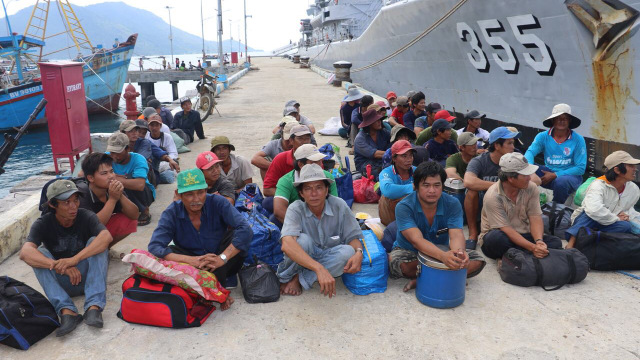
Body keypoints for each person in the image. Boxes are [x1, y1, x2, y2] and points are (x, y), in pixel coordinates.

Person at [19, 179, 112, 336]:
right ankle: (67, 311)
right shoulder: (43, 223)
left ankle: (93, 307)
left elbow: (106, 237)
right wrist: (58, 265)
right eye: (66, 202)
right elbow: (25, 253)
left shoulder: (85, 216)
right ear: (53, 205)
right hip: (63, 281)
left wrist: (74, 260)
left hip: (89, 278)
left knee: (96, 242)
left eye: (76, 200)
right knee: (38, 253)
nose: (74, 206)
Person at [148, 169, 252, 304]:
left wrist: (223, 258)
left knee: (238, 236)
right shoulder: (171, 213)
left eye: (201, 193)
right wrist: (192, 260)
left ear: (206, 190)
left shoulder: (218, 202)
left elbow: (245, 229)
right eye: (189, 194)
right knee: (168, 253)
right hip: (191, 261)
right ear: (178, 194)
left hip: (220, 257)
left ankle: (220, 280)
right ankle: (215, 286)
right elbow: (155, 246)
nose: (196, 200)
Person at [389, 162, 485, 292]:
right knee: (398, 264)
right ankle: (448, 277)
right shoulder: (404, 207)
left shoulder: (453, 203)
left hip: (442, 249)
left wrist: (459, 254)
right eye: (426, 185)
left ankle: (425, 280)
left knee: (477, 260)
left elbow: (456, 234)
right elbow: (416, 241)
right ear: (415, 186)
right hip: (410, 251)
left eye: (437, 185)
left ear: (443, 186)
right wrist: (443, 258)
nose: (432, 191)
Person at [276, 164, 364, 297]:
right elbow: (287, 244)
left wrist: (359, 252)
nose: (314, 194)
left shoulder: (339, 205)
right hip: (304, 255)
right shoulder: (295, 208)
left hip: (328, 253)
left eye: (319, 187)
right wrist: (319, 268)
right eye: (308, 188)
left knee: (348, 252)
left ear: (327, 190)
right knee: (302, 241)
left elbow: (353, 237)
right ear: (301, 193)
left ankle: (299, 278)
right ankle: (291, 275)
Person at [464, 127, 540, 248]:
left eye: (513, 143)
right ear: (497, 145)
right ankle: (473, 233)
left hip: (508, 202)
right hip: (487, 200)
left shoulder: (516, 158)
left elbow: (536, 179)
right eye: (509, 143)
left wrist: (510, 185)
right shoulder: (479, 161)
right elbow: (468, 181)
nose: (513, 147)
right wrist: (501, 186)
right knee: (471, 191)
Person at [480, 153, 563, 259]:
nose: (529, 178)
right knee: (496, 239)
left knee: (555, 242)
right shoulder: (493, 196)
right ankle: (526, 254)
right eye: (525, 175)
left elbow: (535, 217)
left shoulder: (531, 187)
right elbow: (506, 229)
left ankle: (516, 256)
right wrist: (532, 248)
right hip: (502, 235)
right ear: (510, 178)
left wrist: (539, 241)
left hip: (523, 234)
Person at [565, 151, 640, 248]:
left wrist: (626, 215)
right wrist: (616, 218)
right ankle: (571, 243)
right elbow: (594, 210)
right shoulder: (598, 185)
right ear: (617, 170)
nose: (635, 169)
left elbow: (628, 208)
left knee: (626, 226)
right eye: (631, 166)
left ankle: (593, 239)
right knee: (589, 215)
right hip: (591, 219)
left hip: (610, 221)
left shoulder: (633, 189)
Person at [524, 103, 586, 204]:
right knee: (521, 169)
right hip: (548, 172)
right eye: (558, 118)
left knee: (561, 182)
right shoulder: (543, 136)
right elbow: (530, 153)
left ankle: (555, 208)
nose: (561, 121)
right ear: (553, 120)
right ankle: (524, 202)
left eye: (565, 118)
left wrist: (556, 174)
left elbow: (580, 168)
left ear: (569, 120)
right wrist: (531, 171)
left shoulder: (578, 139)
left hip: (570, 176)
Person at [79, 152, 139, 246]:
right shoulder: (81, 194)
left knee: (129, 220)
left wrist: (120, 195)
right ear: (91, 178)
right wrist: (112, 200)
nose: (111, 176)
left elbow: (135, 215)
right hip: (81, 236)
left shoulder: (111, 188)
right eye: (104, 173)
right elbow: (91, 227)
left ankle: (105, 249)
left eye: (111, 171)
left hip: (99, 230)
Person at [273, 144, 337, 227]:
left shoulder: (328, 177)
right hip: (298, 219)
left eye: (320, 161)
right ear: (300, 164)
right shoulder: (286, 181)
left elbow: (334, 206)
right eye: (314, 162)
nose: (320, 165)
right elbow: (279, 210)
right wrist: (304, 228)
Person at [106, 132, 155, 226]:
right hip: (121, 192)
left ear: (128, 149)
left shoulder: (138, 159)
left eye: (118, 152)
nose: (114, 156)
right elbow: (83, 173)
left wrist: (115, 178)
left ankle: (144, 209)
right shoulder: (106, 157)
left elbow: (140, 185)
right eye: (112, 152)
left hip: (144, 194)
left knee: (130, 179)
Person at [120, 119, 179, 185]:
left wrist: (170, 160)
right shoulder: (118, 144)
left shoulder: (144, 142)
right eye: (131, 131)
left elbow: (158, 153)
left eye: (136, 130)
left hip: (144, 176)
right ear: (123, 133)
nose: (135, 133)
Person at [263, 125, 312, 197]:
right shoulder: (280, 158)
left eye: (307, 138)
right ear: (291, 141)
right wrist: (292, 196)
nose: (304, 142)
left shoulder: (315, 158)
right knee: (268, 203)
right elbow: (268, 189)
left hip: (311, 197)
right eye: (300, 138)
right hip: (287, 197)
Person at [379, 140, 416, 226]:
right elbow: (388, 190)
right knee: (386, 198)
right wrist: (414, 187)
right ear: (394, 158)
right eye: (404, 156)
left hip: (412, 214)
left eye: (411, 155)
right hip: (391, 216)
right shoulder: (386, 172)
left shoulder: (416, 171)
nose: (409, 159)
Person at [354, 107, 391, 180]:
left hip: (381, 161)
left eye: (380, 120)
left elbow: (393, 141)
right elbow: (375, 154)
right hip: (365, 166)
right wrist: (394, 154)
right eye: (376, 121)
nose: (379, 122)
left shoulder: (383, 132)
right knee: (384, 173)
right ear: (369, 124)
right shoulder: (360, 139)